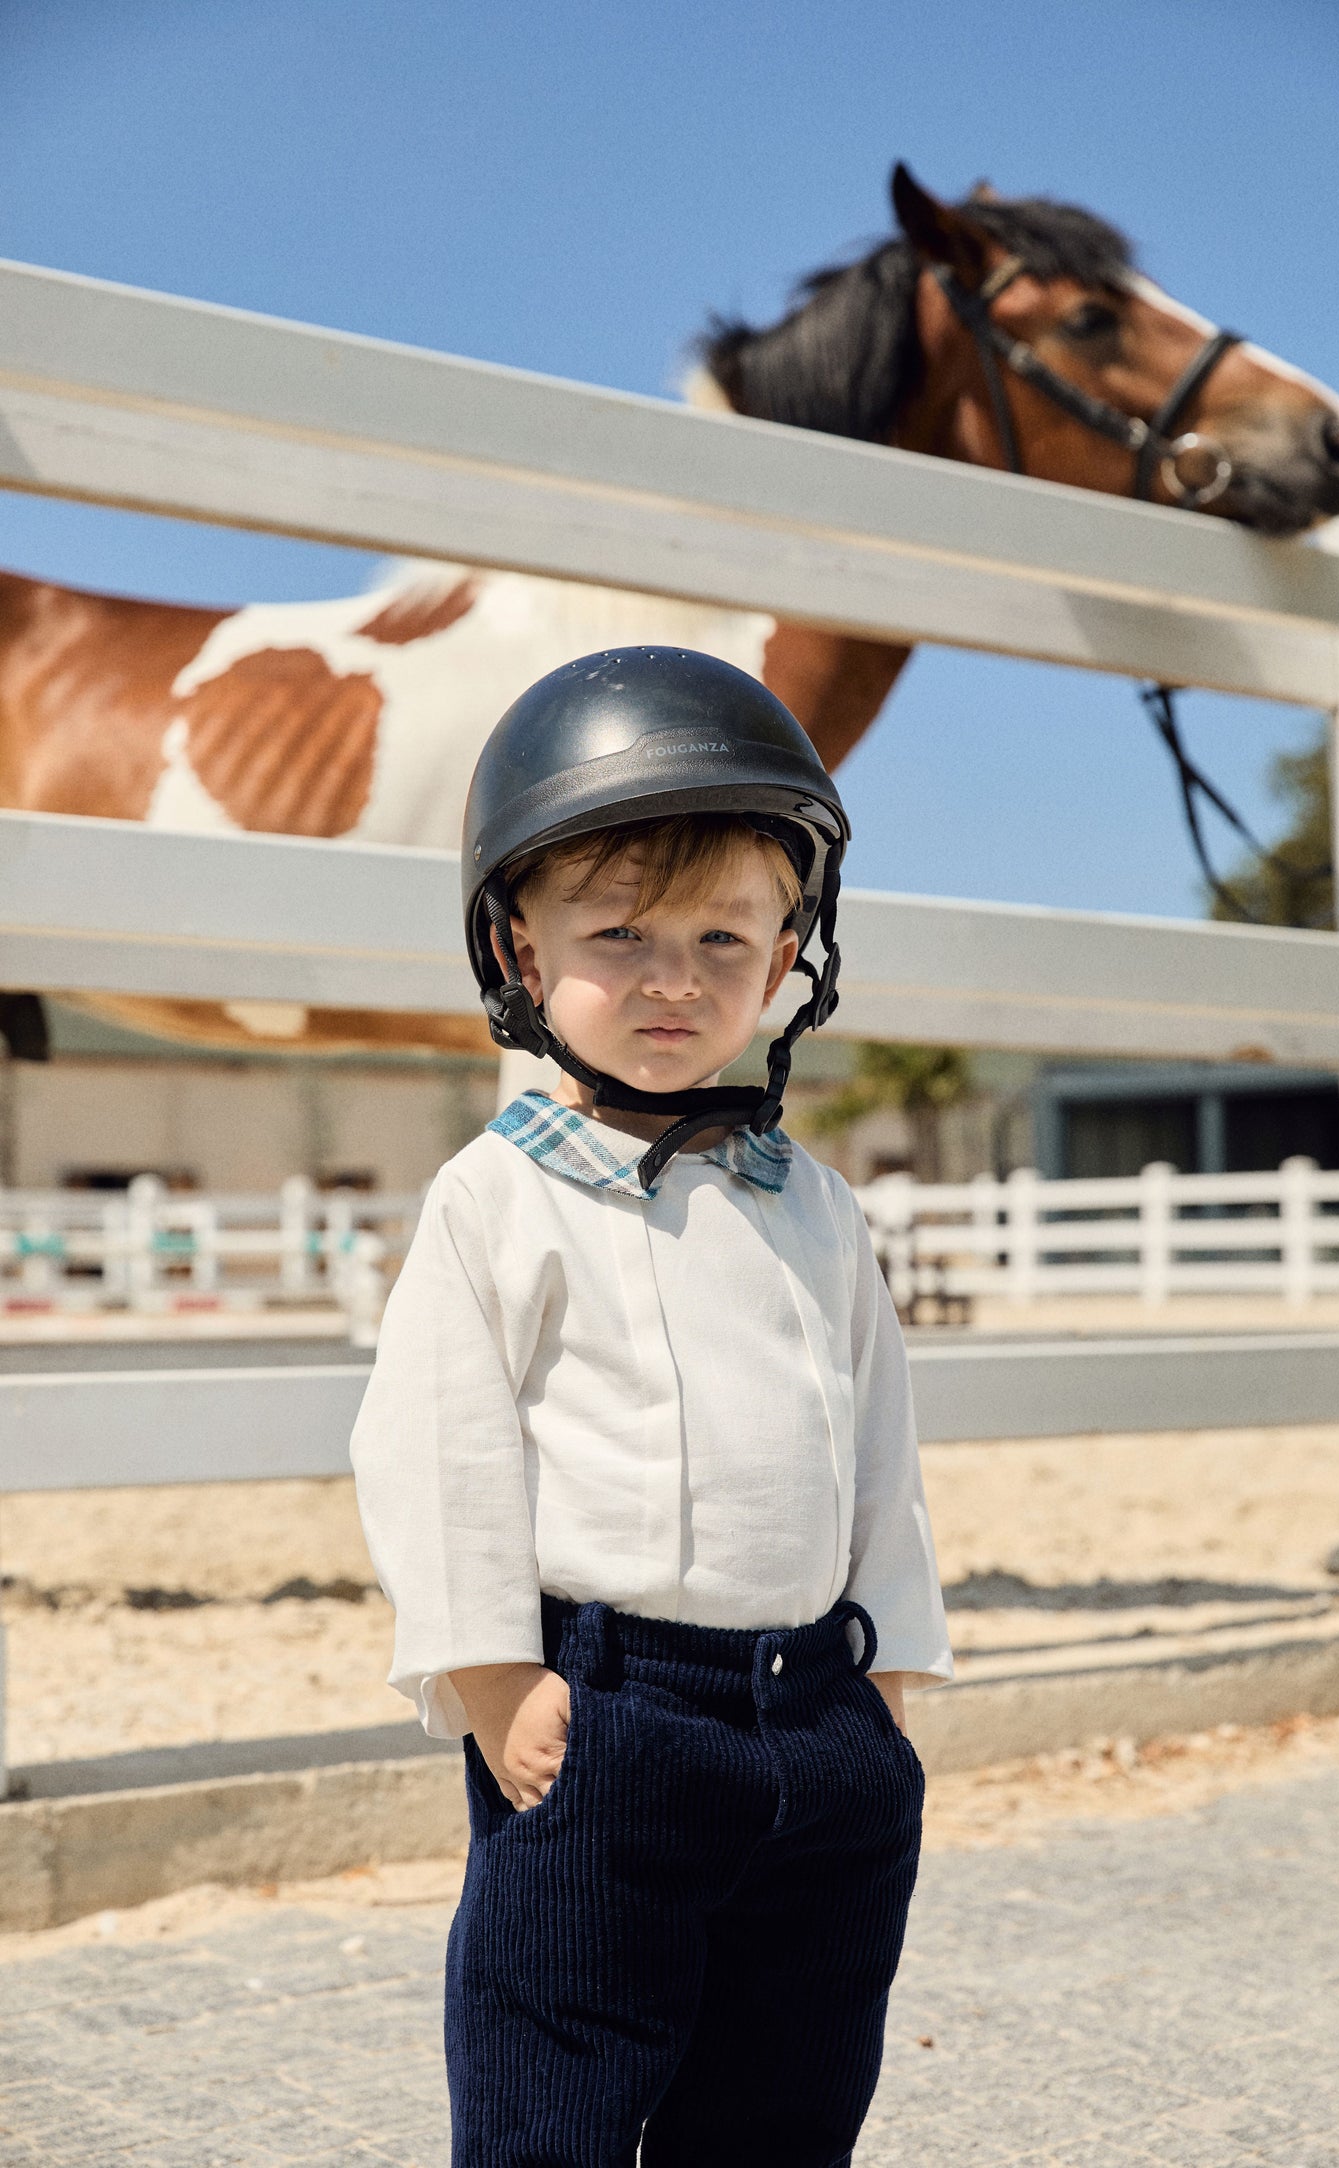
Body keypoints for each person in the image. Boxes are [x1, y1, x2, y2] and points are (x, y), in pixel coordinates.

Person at [350, 646, 953, 2168]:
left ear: (786, 949)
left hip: (823, 1719)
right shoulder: (495, 1202)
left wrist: (889, 1677)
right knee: (554, 2080)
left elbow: (875, 1442)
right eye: (618, 933)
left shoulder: (812, 1204)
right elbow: (437, 1442)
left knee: (787, 2093)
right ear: (519, 947)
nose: (675, 976)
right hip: (607, 1728)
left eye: (722, 934)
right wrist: (491, 1674)